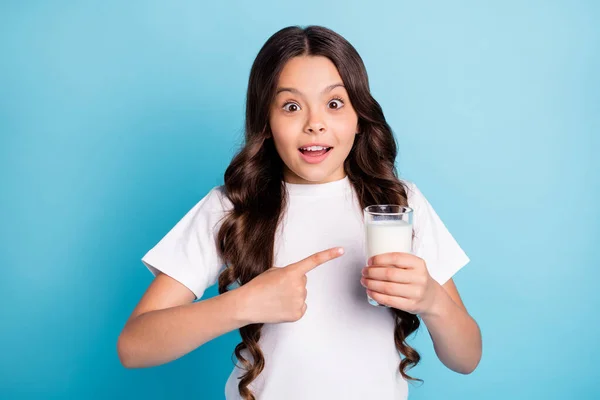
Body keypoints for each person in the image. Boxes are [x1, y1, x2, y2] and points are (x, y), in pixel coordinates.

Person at [117, 25, 482, 400]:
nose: (314, 123)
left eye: (335, 104)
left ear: (359, 118)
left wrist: (432, 301)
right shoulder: (232, 206)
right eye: (291, 106)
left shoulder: (400, 204)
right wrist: (241, 304)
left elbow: (466, 357)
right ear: (266, 123)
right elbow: (134, 346)